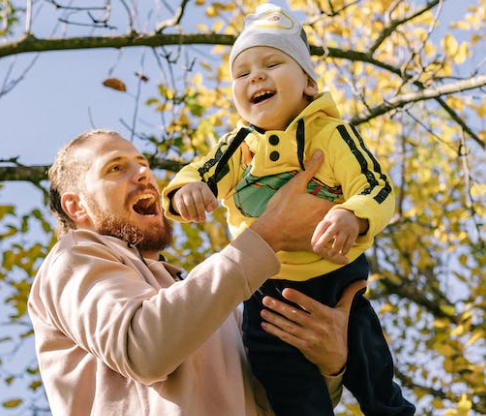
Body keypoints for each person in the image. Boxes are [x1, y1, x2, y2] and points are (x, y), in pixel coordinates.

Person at [162, 4, 415, 416]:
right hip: (267, 289)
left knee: (373, 372)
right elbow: (199, 173)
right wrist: (185, 191)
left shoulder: (330, 134)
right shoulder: (238, 147)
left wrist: (353, 214)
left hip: (337, 280)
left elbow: (375, 186)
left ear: (309, 84)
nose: (255, 76)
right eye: (241, 73)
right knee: (287, 389)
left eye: (272, 62)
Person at [28, 129, 366, 416]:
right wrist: (267, 234)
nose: (144, 175)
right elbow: (143, 348)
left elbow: (273, 403)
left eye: (143, 165)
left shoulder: (216, 304)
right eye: (115, 168)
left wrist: (330, 365)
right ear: (77, 206)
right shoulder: (73, 258)